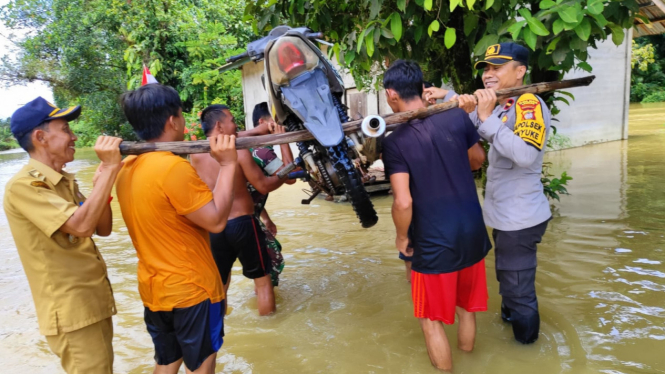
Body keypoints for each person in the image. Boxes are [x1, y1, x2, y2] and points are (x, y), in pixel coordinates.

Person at [425, 43, 553, 344]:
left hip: (520, 220)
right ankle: (512, 327)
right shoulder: (504, 104)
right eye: (485, 67)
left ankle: (527, 349)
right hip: (507, 217)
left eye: (497, 67)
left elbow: (524, 155)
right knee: (508, 281)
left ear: (520, 71)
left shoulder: (528, 104)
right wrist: (451, 97)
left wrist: (485, 118)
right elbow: (474, 121)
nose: (488, 73)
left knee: (518, 292)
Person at [115, 84, 237, 374]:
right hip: (192, 290)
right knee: (201, 367)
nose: (183, 122)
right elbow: (217, 220)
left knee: (166, 363)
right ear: (172, 121)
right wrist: (229, 165)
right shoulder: (173, 168)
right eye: (181, 115)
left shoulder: (126, 167)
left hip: (154, 289)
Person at [381, 60, 491, 371]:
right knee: (468, 310)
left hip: (434, 242)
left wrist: (402, 237)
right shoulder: (456, 116)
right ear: (420, 87)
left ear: (392, 95)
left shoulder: (395, 143)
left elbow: (403, 203)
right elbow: (477, 161)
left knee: (431, 322)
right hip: (472, 231)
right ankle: (470, 361)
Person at [3, 97, 122, 374]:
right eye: (66, 130)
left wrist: (102, 182)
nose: (74, 136)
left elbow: (101, 229)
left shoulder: (62, 180)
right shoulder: (25, 186)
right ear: (40, 137)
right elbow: (80, 227)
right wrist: (111, 170)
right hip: (72, 311)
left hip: (91, 303)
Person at [190, 104, 290, 316]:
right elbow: (263, 185)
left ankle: (219, 331)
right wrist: (284, 173)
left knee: (220, 287)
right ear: (219, 125)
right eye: (232, 120)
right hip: (243, 223)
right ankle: (270, 331)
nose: (236, 125)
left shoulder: (195, 155)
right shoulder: (238, 150)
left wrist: (258, 131)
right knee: (263, 284)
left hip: (214, 227)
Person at [238, 102, 297, 287]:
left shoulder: (248, 147)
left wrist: (266, 218)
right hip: (244, 220)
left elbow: (251, 190)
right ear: (263, 122)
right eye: (276, 123)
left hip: (239, 217)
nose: (281, 127)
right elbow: (290, 176)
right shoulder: (261, 151)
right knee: (271, 260)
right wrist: (283, 140)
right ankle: (267, 303)